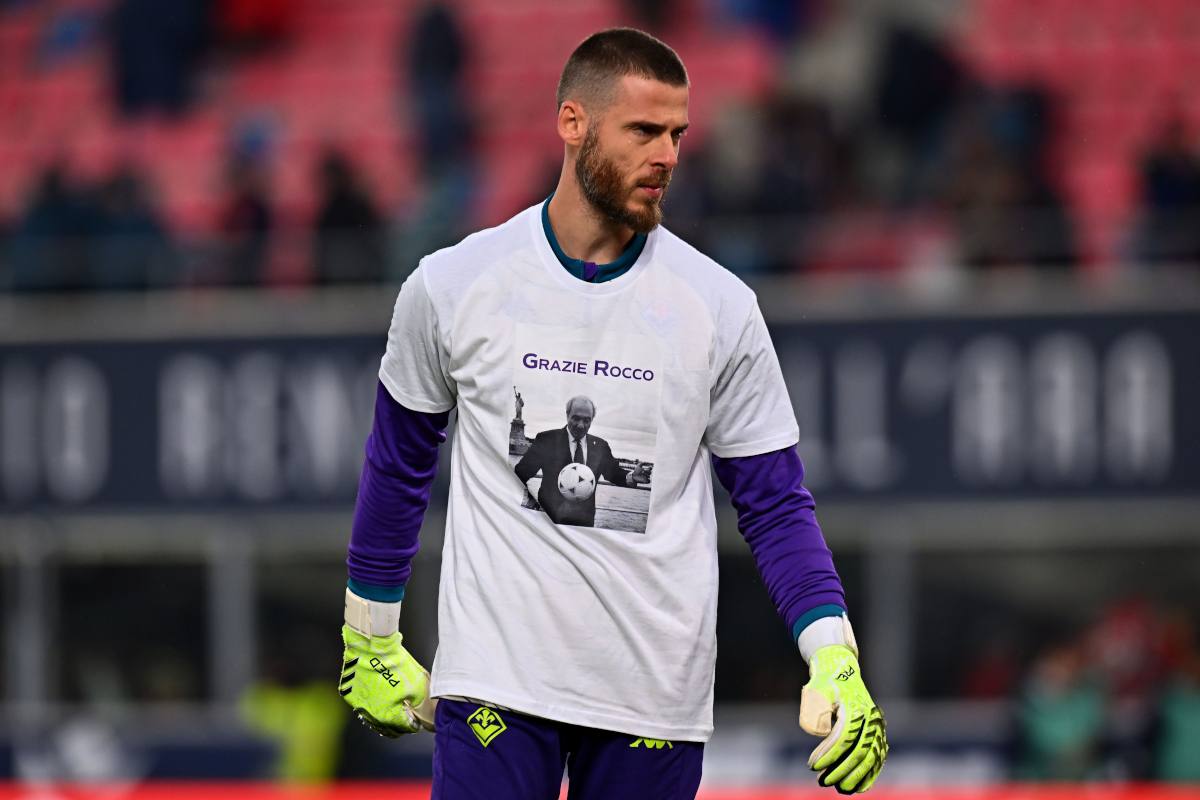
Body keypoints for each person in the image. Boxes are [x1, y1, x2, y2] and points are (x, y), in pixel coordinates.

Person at [336, 29, 887, 800]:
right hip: (496, 680)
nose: (666, 156)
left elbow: (775, 503)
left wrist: (834, 653)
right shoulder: (451, 286)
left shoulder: (720, 308)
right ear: (574, 123)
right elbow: (398, 467)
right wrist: (369, 633)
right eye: (643, 131)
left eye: (677, 135)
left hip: (653, 693)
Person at [514, 396, 649, 527]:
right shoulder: (547, 440)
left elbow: (613, 473)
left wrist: (632, 476)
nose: (580, 425)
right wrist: (530, 498)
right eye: (576, 418)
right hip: (548, 519)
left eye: (586, 420)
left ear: (592, 420)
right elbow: (521, 472)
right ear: (567, 415)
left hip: (583, 522)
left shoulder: (600, 446)